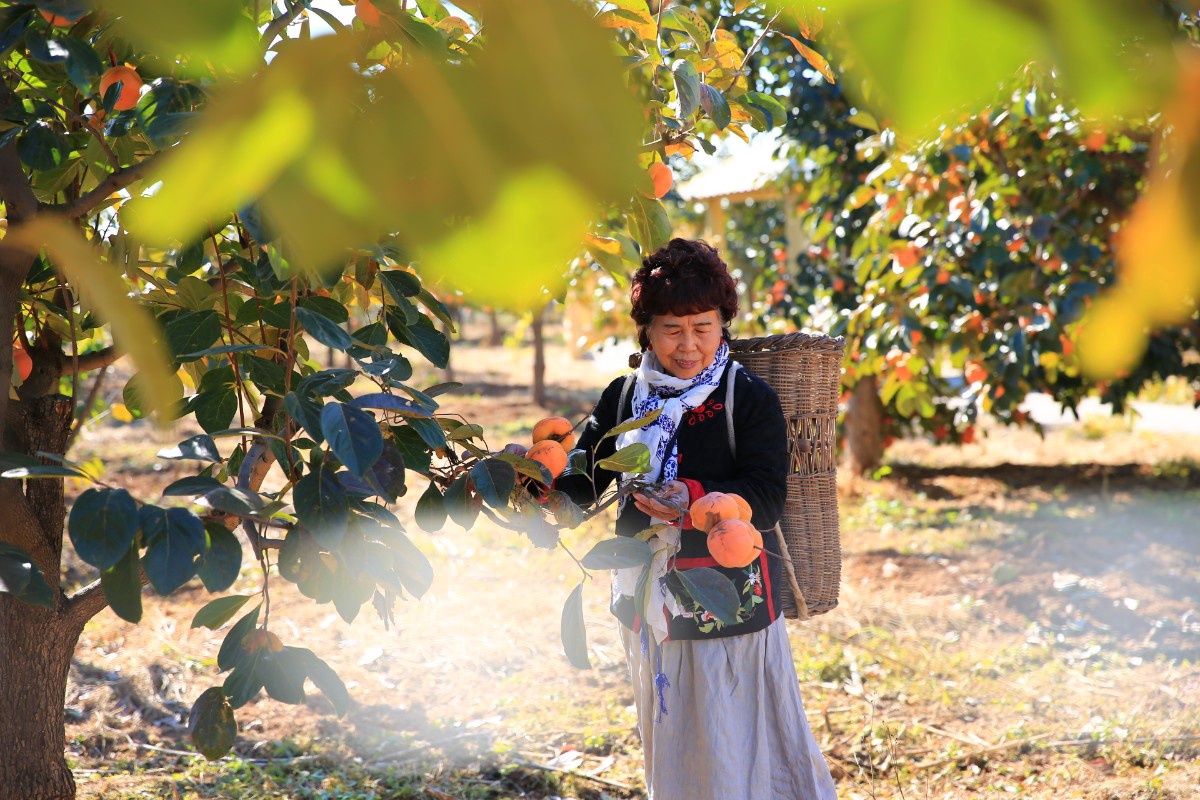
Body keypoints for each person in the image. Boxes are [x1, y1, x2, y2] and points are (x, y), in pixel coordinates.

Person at [556, 238, 838, 799]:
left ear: (723, 325)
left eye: (702, 327)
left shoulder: (746, 397)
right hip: (653, 602)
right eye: (672, 329)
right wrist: (534, 487)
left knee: (743, 740)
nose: (688, 345)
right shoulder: (624, 398)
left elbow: (766, 493)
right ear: (647, 332)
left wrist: (693, 500)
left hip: (729, 602)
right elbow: (584, 478)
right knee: (678, 743)